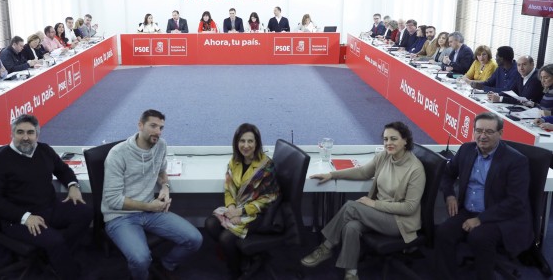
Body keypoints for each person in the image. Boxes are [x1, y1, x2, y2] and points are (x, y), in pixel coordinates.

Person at [301, 122, 425, 280]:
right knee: (351, 227)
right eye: (386, 139)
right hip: (378, 214)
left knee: (351, 207)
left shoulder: (415, 169)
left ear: (405, 140)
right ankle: (351, 273)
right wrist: (332, 175)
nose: (388, 143)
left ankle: (325, 247)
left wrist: (374, 204)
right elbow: (363, 172)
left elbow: (409, 207)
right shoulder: (385, 156)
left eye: (393, 139)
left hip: (400, 222)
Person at [0, 114, 92, 279]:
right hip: (18, 220)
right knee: (55, 241)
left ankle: (56, 256)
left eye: (30, 133)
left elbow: (63, 170)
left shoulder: (44, 150)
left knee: (86, 212)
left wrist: (73, 186)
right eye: (20, 132)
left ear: (37, 135)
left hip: (50, 208)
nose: (25, 137)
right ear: (12, 134)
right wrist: (25, 217)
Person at [102, 109, 202, 280]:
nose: (158, 132)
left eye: (161, 127)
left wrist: (165, 187)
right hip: (120, 217)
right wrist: (149, 206)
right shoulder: (118, 154)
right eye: (153, 126)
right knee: (141, 260)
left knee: (195, 239)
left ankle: (167, 264)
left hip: (150, 211)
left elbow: (162, 171)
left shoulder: (160, 145)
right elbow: (113, 200)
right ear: (140, 125)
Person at [435, 112, 531, 280]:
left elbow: (516, 202)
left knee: (480, 237)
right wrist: (450, 195)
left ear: (500, 133)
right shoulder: (466, 149)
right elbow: (446, 173)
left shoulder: (516, 161)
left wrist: (481, 219)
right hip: (469, 210)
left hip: (499, 216)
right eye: (478, 131)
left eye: (489, 132)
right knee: (444, 232)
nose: (482, 136)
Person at [204, 123, 280, 278]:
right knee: (210, 224)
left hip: (257, 214)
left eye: (250, 141)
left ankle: (236, 272)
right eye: (242, 141)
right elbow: (229, 189)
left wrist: (241, 211)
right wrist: (231, 208)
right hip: (236, 208)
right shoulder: (234, 162)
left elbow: (269, 198)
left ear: (257, 143)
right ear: (236, 143)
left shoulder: (266, 166)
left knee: (225, 239)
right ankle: (240, 256)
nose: (246, 146)